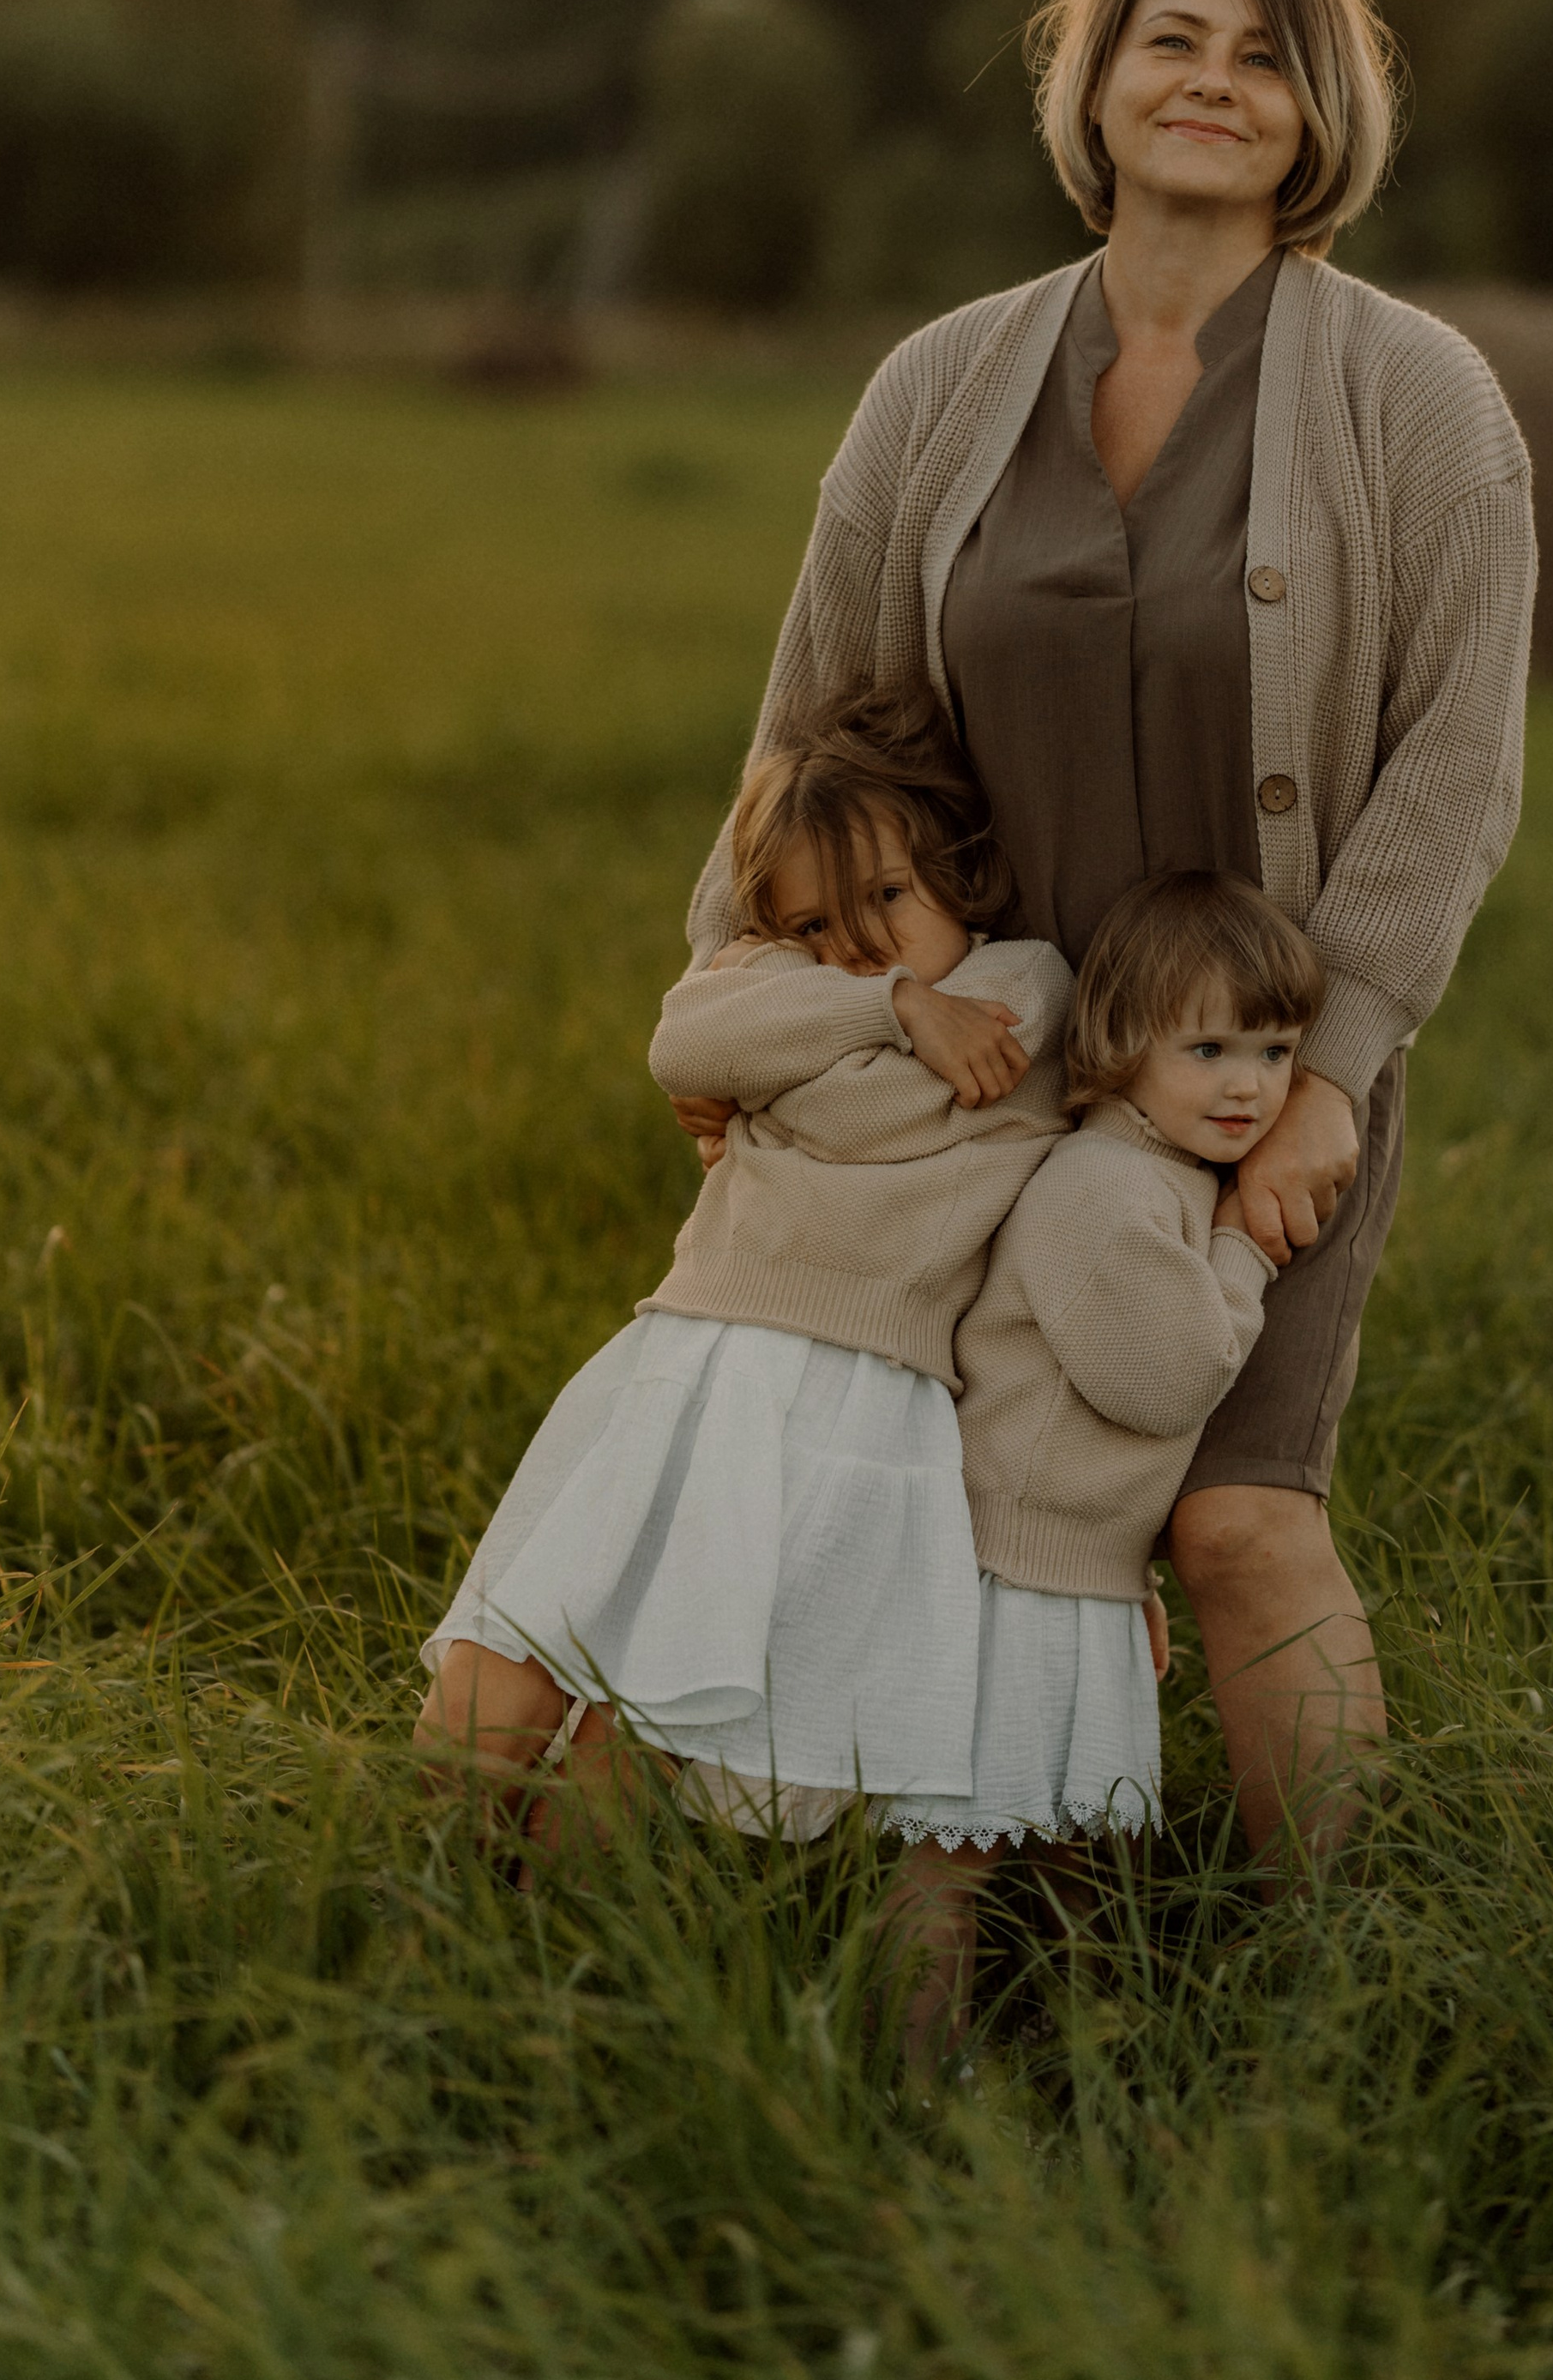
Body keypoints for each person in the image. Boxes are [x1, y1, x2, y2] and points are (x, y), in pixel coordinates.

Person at [670, 0, 1536, 1856]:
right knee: (962, 1510)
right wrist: (740, 999)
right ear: (1094, 80)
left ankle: (1335, 1971)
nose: (1210, 85)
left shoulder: (1417, 401)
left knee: (1234, 1518)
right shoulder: (937, 385)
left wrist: (1331, 1073)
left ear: (1318, 115)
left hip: (1243, 1079)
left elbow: (1455, 769)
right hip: (966, 1061)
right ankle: (991, 1926)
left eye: (1261, 58)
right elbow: (811, 723)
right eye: (1170, 41)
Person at [413, 684, 1071, 1848]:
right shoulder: (859, 988)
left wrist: (795, 1050)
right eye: (814, 927)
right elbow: (686, 1040)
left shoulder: (1025, 983)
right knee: (507, 1666)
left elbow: (865, 1115)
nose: (856, 944)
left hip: (848, 1399)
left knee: (654, 1719)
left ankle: (548, 1948)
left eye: (889, 898)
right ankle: (415, 1902)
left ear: (957, 870)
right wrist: (895, 1005)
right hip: (690, 1360)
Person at [877, 871, 1318, 2059]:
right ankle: (911, 2076)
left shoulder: (1160, 1174)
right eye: (1209, 1048)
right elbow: (1165, 1382)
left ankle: (1088, 2054)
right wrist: (1243, 1253)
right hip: (1011, 1573)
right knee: (957, 1852)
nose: (1247, 1086)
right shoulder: (1103, 1188)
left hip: (1077, 1570)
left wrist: (1130, 1577)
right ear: (1121, 1042)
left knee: (1084, 1845)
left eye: (1276, 1053)